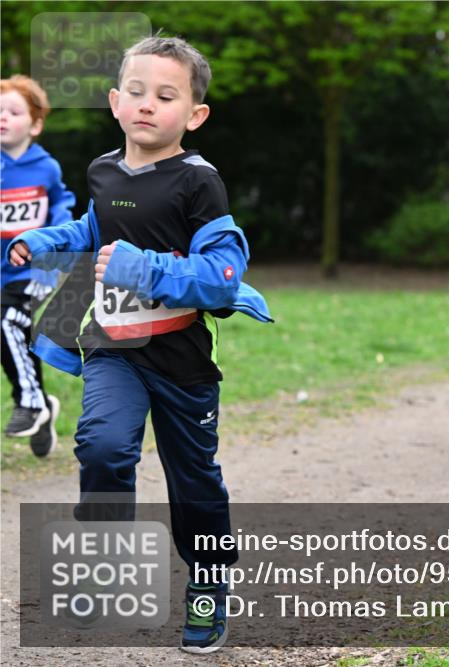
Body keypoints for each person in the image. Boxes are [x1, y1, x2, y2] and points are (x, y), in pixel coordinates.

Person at [8, 35, 273, 654]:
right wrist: (47, 241)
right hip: (113, 348)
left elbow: (221, 276)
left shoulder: (199, 183)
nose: (147, 104)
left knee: (195, 482)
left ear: (195, 114)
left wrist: (144, 270)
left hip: (181, 361)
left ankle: (208, 583)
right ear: (115, 102)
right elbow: (96, 228)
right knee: (102, 446)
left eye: (165, 95)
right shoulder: (104, 171)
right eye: (136, 91)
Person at [0, 76, 75, 454]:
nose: (3, 118)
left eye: (13, 112)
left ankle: (30, 404)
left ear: (35, 124)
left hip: (39, 268)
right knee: (10, 329)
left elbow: (62, 202)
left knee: (8, 320)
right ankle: (42, 404)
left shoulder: (46, 167)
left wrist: (59, 233)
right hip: (3, 273)